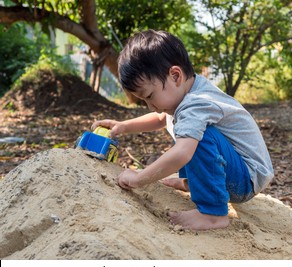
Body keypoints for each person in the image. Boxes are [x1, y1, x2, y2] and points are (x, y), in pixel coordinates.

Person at [91, 29, 274, 230]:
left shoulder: (196, 104)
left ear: (175, 75)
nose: (150, 106)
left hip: (246, 178)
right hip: (237, 171)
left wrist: (139, 178)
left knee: (197, 138)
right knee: (189, 132)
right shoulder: (187, 91)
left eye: (150, 96)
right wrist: (124, 126)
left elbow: (183, 153)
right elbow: (162, 117)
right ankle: (192, 182)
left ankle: (212, 214)